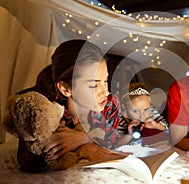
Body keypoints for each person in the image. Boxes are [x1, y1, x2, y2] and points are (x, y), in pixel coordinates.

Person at [15, 39, 123, 172]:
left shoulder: (110, 104)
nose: (106, 91)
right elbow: (27, 162)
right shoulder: (44, 112)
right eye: (93, 85)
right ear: (65, 89)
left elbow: (114, 141)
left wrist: (85, 139)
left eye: (105, 81)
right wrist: (80, 151)